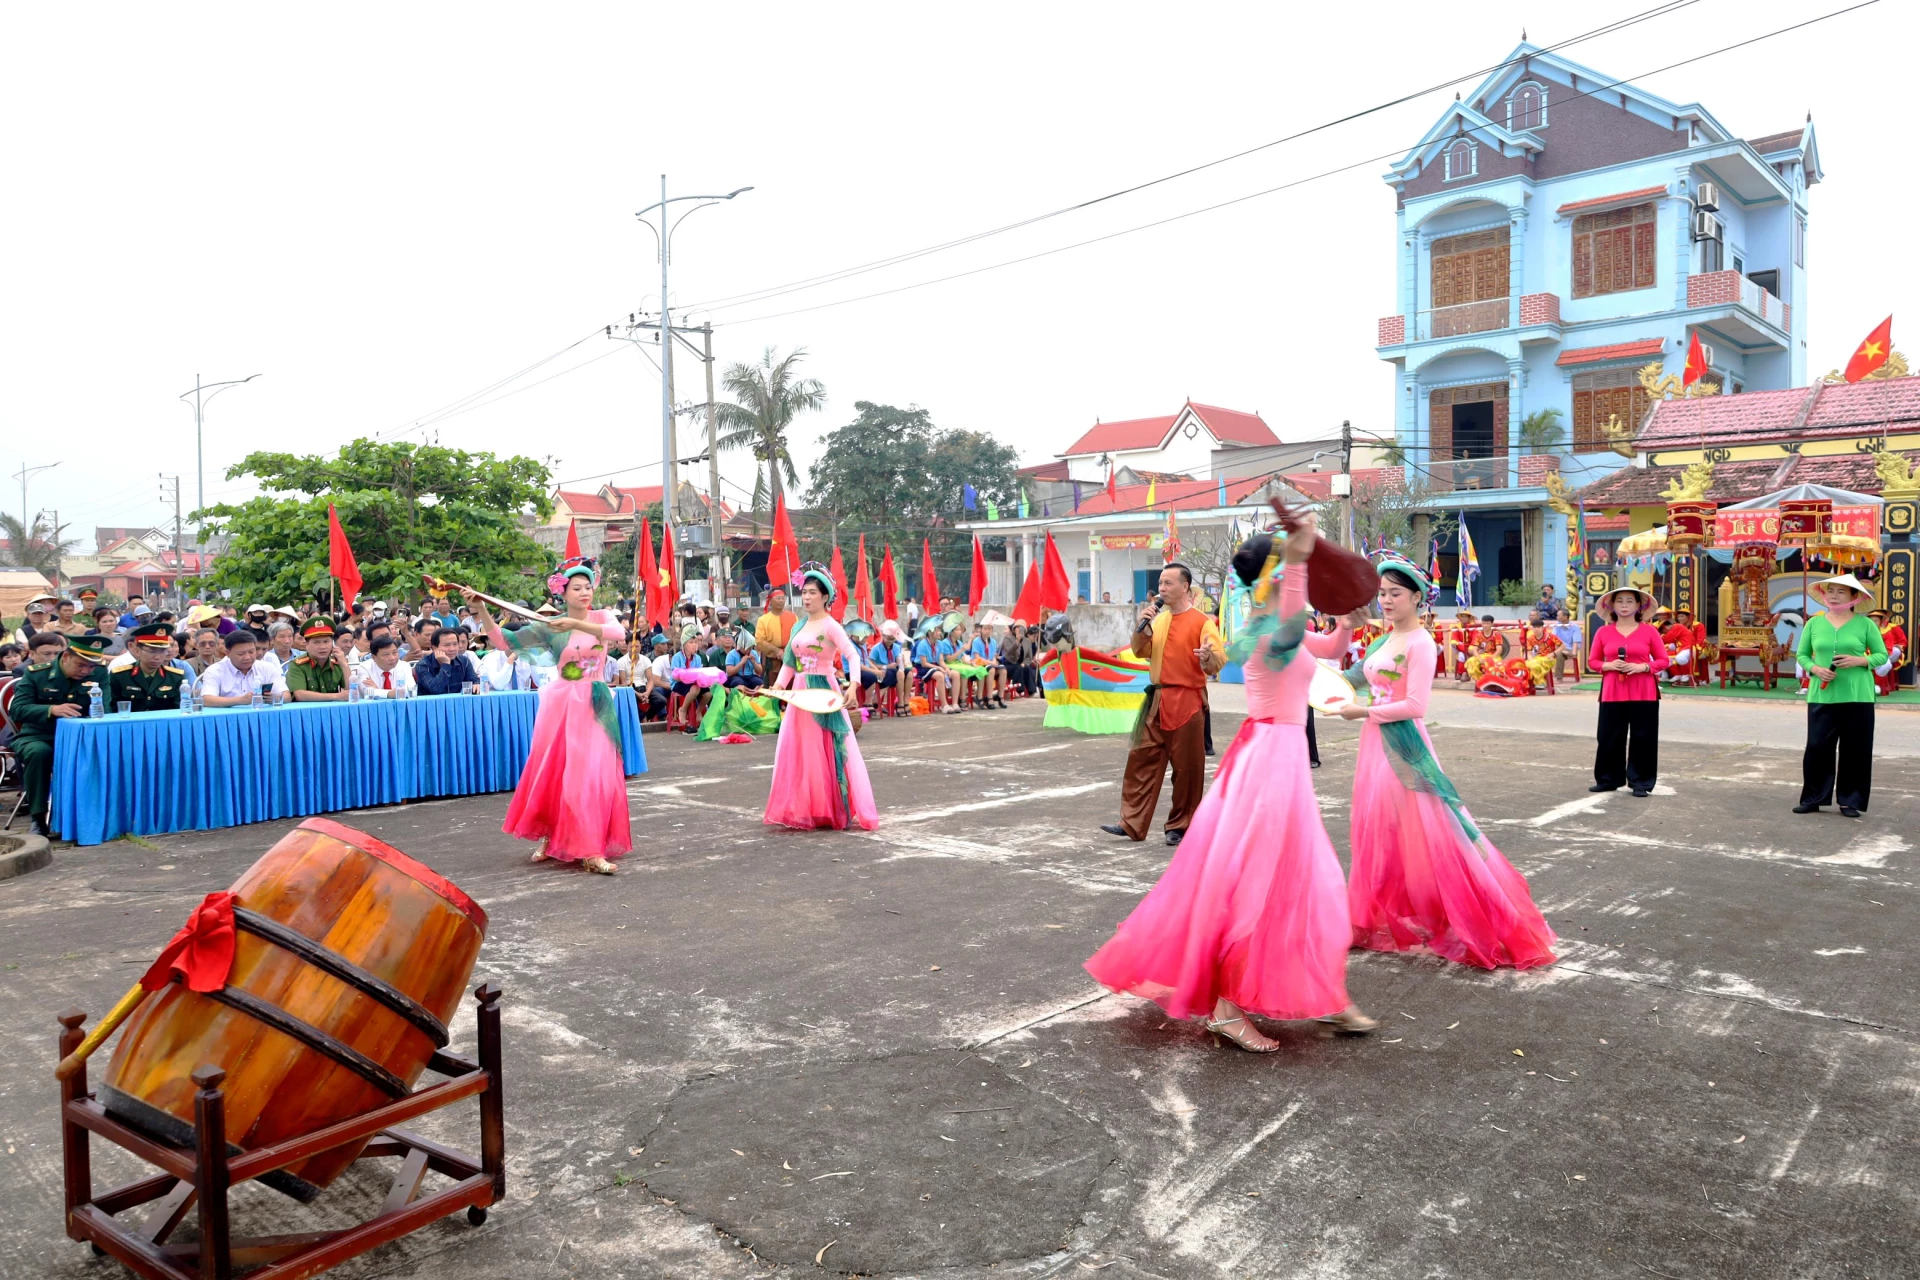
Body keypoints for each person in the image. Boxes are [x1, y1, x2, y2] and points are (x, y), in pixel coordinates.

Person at [1084, 515, 1376, 1051]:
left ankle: (1325, 997)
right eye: (1290, 573)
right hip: (1268, 764)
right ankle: (1226, 1008)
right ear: (1271, 577)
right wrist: (1297, 554)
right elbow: (1294, 615)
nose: (1301, 579)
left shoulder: (1281, 627)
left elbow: (1330, 652)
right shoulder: (1265, 628)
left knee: (1300, 882)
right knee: (1253, 887)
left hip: (1279, 762)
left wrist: (1350, 624)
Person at [1341, 555, 1557, 970]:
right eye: (1382, 593)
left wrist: (1363, 713)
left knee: (1434, 829)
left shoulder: (1421, 642)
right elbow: (1353, 678)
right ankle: (1382, 913)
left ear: (1418, 598)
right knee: (1380, 827)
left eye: (1395, 594)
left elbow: (1416, 705)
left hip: (1402, 742)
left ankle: (1464, 911)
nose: (1386, 600)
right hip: (1375, 744)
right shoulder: (1383, 639)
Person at [466, 556, 629, 873]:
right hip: (563, 703)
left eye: (588, 586)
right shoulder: (549, 628)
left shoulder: (600, 616)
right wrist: (481, 608)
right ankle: (554, 837)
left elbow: (618, 634)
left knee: (592, 776)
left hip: (595, 703)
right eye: (577, 588)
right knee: (557, 772)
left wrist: (577, 624)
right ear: (563, 594)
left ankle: (591, 847)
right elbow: (501, 641)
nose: (584, 592)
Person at [1100, 561, 1224, 847]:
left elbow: (1215, 658)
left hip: (1187, 700)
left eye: (1168, 583)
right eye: (1161, 584)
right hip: (1156, 699)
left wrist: (1206, 657)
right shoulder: (1158, 619)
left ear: (1185, 587)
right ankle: (1131, 822)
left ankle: (1180, 825)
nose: (1162, 589)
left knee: (1187, 769)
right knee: (1140, 760)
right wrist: (1141, 628)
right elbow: (1141, 650)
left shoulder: (1203, 622)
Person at [764, 562, 878, 831]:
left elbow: (851, 654)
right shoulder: (798, 626)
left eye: (813, 592)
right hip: (800, 694)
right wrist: (779, 688)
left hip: (824, 691)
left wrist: (853, 685)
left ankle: (831, 807)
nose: (807, 597)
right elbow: (790, 663)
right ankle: (806, 808)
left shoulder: (831, 625)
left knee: (825, 748)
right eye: (804, 592)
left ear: (825, 596)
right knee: (800, 749)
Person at [1794, 574, 1888, 818]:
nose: (1834, 596)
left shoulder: (1866, 625)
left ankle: (1850, 801)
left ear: (1854, 597)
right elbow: (1802, 655)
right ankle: (1813, 798)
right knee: (1817, 747)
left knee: (1856, 749)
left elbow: (1881, 655)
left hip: (1858, 696)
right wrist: (1815, 669)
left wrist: (1860, 660)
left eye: (1841, 592)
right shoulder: (1813, 624)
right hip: (1822, 695)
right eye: (1831, 591)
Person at [10, 632, 111, 836]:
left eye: (91, 666)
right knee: (39, 754)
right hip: (40, 735)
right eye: (81, 665)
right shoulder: (36, 673)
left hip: (81, 737)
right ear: (65, 657)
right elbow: (18, 709)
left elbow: (105, 708)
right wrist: (51, 710)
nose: (86, 671)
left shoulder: (99, 674)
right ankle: (38, 817)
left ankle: (95, 815)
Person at [1588, 585, 1668, 797]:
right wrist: (1609, 665)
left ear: (1639, 605)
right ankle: (1608, 779)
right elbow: (1593, 661)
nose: (1624, 605)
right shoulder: (1603, 632)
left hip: (1644, 690)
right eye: (1620, 601)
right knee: (1608, 737)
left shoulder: (1649, 631)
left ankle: (1641, 782)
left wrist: (1642, 667)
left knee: (1644, 738)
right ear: (1611, 605)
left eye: (1629, 601)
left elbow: (1663, 660)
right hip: (1612, 690)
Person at [108, 621, 187, 713]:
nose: (157, 657)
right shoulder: (120, 676)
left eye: (162, 651)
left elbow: (179, 710)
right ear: (138, 651)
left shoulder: (175, 677)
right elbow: (111, 709)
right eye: (152, 651)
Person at [197, 628, 275, 707]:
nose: (247, 657)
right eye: (241, 654)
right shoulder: (214, 670)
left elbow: (286, 695)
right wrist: (240, 700)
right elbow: (207, 700)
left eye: (251, 652)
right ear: (228, 653)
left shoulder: (267, 667)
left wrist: (274, 698)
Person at [286, 620, 354, 701]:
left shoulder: (337, 662)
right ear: (307, 645)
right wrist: (336, 696)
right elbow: (300, 694)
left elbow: (351, 691)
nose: (322, 647)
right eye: (316, 642)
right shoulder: (297, 664)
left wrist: (344, 664)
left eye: (326, 641)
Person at [413, 627, 481, 695]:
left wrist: (476, 684)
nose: (452, 649)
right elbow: (434, 690)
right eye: (447, 645)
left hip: (457, 703)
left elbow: (474, 681)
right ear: (434, 648)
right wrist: (446, 665)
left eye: (455, 644)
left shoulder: (464, 661)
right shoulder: (423, 665)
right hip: (432, 704)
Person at [755, 588, 799, 688]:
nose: (781, 601)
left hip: (790, 658)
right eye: (778, 598)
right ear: (770, 600)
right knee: (772, 689)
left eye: (783, 598)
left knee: (791, 689)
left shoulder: (793, 617)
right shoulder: (763, 620)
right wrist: (777, 651)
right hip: (772, 660)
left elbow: (798, 637)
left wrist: (787, 652)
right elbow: (759, 640)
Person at [912, 622, 954, 713]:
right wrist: (938, 668)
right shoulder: (922, 644)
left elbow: (941, 661)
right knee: (940, 675)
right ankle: (944, 705)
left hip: (935, 665)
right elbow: (924, 663)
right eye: (937, 630)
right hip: (923, 668)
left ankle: (955, 703)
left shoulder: (940, 644)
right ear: (930, 632)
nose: (940, 632)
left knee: (955, 674)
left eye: (939, 630)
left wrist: (946, 668)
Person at [1871, 607, 1906, 698]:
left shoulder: (1891, 628)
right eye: (1872, 620)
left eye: (1876, 619)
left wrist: (1897, 646)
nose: (1874, 622)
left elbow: (1902, 642)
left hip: (1888, 652)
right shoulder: (1866, 629)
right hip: (1868, 655)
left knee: (1891, 656)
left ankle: (1878, 686)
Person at [1552, 609, 1582, 681]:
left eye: (1559, 615)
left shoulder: (1574, 627)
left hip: (1570, 649)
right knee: (1558, 653)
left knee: (1559, 653)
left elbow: (1576, 642)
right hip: (1559, 648)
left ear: (1565, 617)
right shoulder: (1556, 625)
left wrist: (1574, 653)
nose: (1557, 617)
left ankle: (1559, 678)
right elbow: (1553, 638)